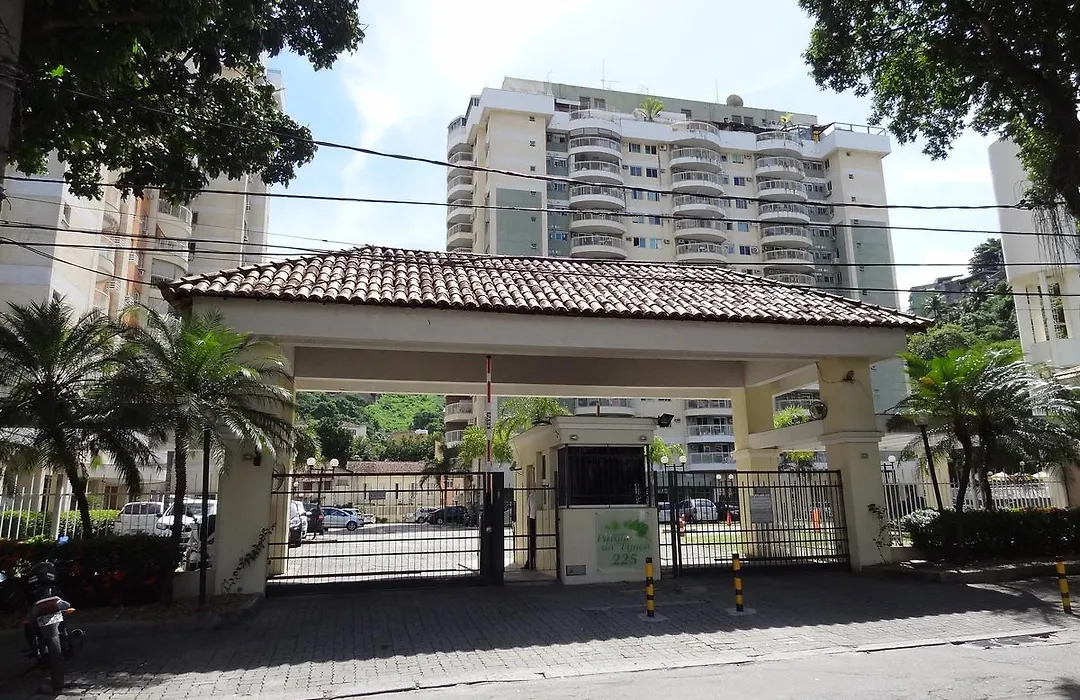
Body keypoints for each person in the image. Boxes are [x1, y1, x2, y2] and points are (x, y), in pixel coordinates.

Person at [524, 490, 538, 570]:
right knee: (533, 542)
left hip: (532, 518)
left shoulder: (532, 495)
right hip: (533, 518)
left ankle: (529, 563)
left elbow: (528, 510)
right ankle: (530, 562)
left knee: (532, 541)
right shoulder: (535, 495)